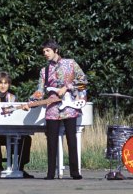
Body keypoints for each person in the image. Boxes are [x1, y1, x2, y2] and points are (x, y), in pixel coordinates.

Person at [23, 39, 88, 180]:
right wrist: (30, 101)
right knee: (51, 141)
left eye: (48, 50)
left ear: (56, 50)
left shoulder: (70, 63)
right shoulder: (44, 71)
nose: (45, 54)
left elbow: (84, 80)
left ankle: (75, 172)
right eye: (44, 51)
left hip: (70, 107)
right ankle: (50, 173)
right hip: (52, 108)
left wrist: (68, 87)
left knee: (72, 140)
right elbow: (40, 91)